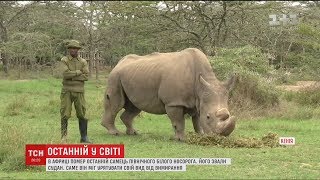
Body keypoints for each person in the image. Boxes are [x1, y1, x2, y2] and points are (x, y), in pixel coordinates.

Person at [59, 40, 91, 143]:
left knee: (82, 113)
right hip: (67, 91)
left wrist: (71, 76)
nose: (73, 50)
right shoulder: (64, 60)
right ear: (68, 49)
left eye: (75, 48)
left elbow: (86, 76)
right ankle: (64, 137)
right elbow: (65, 74)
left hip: (79, 91)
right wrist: (78, 72)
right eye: (71, 48)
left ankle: (84, 137)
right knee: (65, 113)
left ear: (78, 50)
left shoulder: (83, 61)